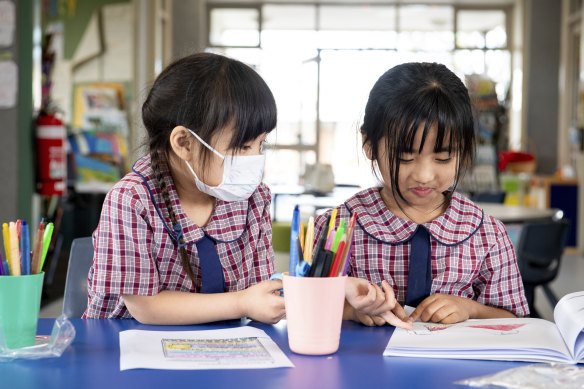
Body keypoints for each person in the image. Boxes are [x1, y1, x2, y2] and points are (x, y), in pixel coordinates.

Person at [314, 62, 529, 327]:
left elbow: (515, 320)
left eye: (443, 157)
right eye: (405, 157)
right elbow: (305, 305)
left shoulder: (487, 235)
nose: (424, 175)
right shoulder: (339, 228)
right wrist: (349, 310)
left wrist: (470, 308)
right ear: (369, 144)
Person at [84, 52, 286, 324]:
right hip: (126, 344)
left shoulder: (253, 197)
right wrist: (241, 303)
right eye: (242, 146)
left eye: (261, 145)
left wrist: (317, 290)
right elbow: (146, 308)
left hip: (223, 347)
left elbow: (260, 289)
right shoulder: (131, 200)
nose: (254, 159)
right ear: (184, 143)